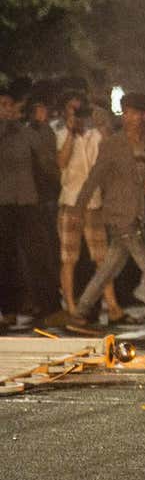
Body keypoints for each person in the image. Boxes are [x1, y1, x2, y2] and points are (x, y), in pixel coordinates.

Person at [67, 92, 145, 333]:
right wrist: (79, 207)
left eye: (135, 113)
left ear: (143, 115)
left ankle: (80, 312)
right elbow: (95, 176)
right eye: (127, 113)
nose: (130, 118)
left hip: (141, 212)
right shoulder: (113, 144)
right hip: (120, 214)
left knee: (110, 267)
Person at [55, 103, 120, 322]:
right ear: (65, 113)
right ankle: (71, 308)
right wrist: (72, 135)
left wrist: (101, 124)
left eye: (81, 113)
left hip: (93, 203)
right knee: (68, 258)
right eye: (73, 113)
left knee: (102, 258)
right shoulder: (61, 133)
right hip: (70, 203)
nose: (78, 118)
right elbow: (61, 162)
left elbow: (111, 153)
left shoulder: (95, 136)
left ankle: (112, 306)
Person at [0, 84, 59, 322]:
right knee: (5, 259)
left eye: (9, 105)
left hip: (27, 200)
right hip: (3, 203)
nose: (7, 110)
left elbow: (46, 154)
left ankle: (48, 306)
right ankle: (9, 309)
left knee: (38, 254)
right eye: (2, 105)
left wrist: (42, 124)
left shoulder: (24, 132)